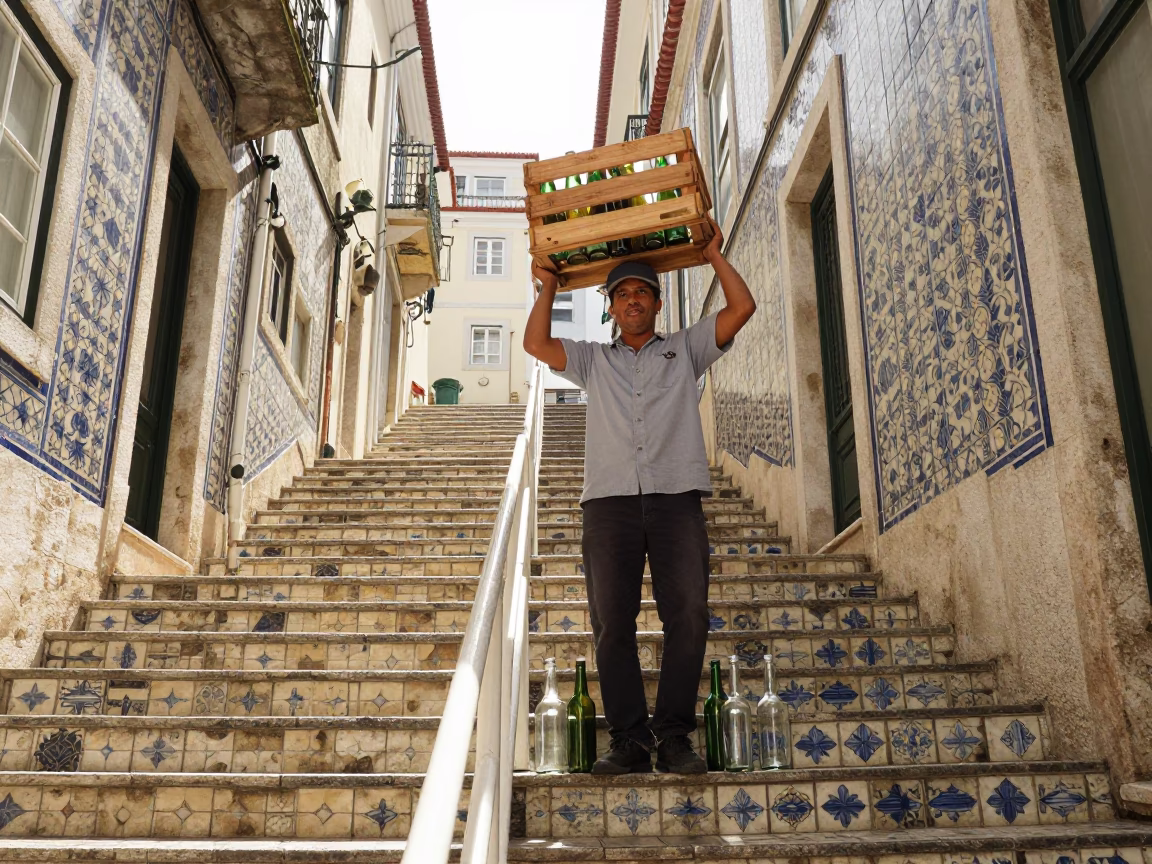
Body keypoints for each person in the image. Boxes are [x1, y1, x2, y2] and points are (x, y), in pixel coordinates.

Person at [523, 217, 756, 774]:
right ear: (610, 306)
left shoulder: (687, 349)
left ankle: (675, 735)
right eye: (622, 294)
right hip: (608, 503)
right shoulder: (591, 360)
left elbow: (741, 309)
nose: (632, 301)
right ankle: (629, 740)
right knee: (611, 621)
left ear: (656, 304)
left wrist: (716, 256)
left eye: (642, 293)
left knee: (690, 614)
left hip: (677, 499)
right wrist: (547, 283)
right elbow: (535, 342)